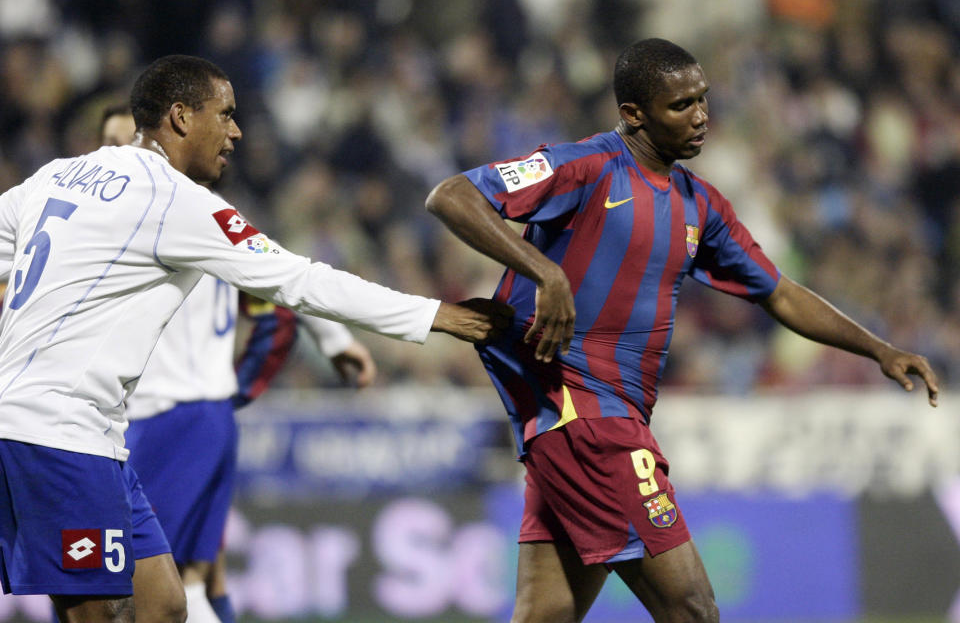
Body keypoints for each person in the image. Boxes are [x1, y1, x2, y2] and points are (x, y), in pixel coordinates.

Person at [425, 37, 939, 623]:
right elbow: (453, 196)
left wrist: (878, 348)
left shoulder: (701, 204)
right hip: (586, 414)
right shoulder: (585, 167)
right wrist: (544, 271)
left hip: (585, 422)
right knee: (692, 609)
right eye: (681, 105)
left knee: (546, 615)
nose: (700, 117)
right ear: (632, 115)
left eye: (703, 100)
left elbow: (781, 293)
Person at [0, 54, 510, 623]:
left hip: (82, 431)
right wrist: (443, 316)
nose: (237, 132)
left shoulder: (55, 176)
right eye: (226, 114)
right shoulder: (175, 200)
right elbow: (301, 280)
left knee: (164, 603)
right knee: (98, 614)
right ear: (180, 117)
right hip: (58, 434)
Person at [96, 106, 376, 623]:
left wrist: (237, 387)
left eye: (126, 140)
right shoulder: (195, 212)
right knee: (199, 574)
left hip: (171, 414)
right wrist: (333, 337)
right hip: (184, 417)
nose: (120, 152)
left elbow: (281, 283)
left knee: (154, 584)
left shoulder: (169, 217)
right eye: (108, 143)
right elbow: (279, 275)